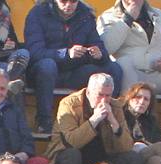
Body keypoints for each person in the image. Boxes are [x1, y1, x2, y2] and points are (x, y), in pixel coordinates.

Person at [45, 73, 143, 164]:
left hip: (103, 161)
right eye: (100, 95)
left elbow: (126, 146)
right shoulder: (69, 104)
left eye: (108, 95)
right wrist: (95, 119)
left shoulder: (115, 106)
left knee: (133, 159)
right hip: (72, 160)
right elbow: (71, 142)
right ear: (89, 92)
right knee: (72, 154)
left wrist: (113, 122)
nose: (104, 100)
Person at [24, 0, 123, 134]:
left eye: (73, 1)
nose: (68, 5)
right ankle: (44, 122)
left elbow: (100, 49)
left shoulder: (86, 16)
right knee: (47, 66)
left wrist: (99, 54)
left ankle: (109, 119)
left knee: (114, 69)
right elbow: (35, 53)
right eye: (63, 1)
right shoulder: (37, 13)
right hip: (42, 74)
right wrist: (66, 53)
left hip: (74, 72)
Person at [96, 0, 161, 114]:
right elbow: (106, 48)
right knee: (123, 62)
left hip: (157, 75)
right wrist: (128, 18)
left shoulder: (160, 15)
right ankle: (130, 117)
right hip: (130, 75)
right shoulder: (108, 16)